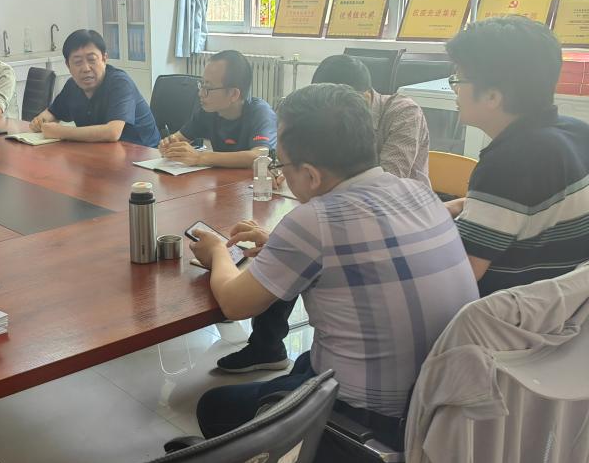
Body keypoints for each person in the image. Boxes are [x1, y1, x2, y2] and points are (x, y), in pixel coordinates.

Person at [189, 83, 477, 429]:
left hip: (368, 421)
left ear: (311, 175)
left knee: (213, 406)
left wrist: (218, 252)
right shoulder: (419, 193)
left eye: (283, 164)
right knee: (304, 364)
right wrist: (281, 245)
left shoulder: (314, 221)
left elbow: (234, 304)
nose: (282, 172)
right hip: (443, 405)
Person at [216, 53, 433, 374]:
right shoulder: (331, 129)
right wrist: (285, 168)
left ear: (364, 97)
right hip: (350, 211)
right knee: (289, 245)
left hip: (398, 219)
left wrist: (218, 252)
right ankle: (267, 346)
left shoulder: (402, 111)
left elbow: (385, 181)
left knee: (297, 243)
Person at [444, 16, 589, 296]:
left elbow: (460, 273)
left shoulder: (510, 161)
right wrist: (459, 205)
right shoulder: (577, 132)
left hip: (508, 313)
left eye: (459, 79)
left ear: (492, 97)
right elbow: (522, 208)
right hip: (569, 305)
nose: (456, 89)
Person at [310, 54, 431, 185]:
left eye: (337, 107)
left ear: (365, 98)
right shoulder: (327, 113)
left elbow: (386, 184)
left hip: (399, 196)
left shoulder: (404, 113)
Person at [29, 29, 160, 146]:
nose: (86, 68)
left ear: (104, 59)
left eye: (92, 60)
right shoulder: (72, 85)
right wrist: (40, 121)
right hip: (102, 153)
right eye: (78, 62)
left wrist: (61, 132)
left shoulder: (120, 83)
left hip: (143, 156)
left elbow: (112, 132)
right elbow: (53, 113)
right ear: (68, 65)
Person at [158, 50, 276, 168]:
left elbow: (260, 156)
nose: (200, 93)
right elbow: (178, 138)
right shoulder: (209, 111)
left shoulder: (261, 113)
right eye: (202, 84)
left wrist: (200, 157)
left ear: (233, 94)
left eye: (208, 88)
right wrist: (169, 145)